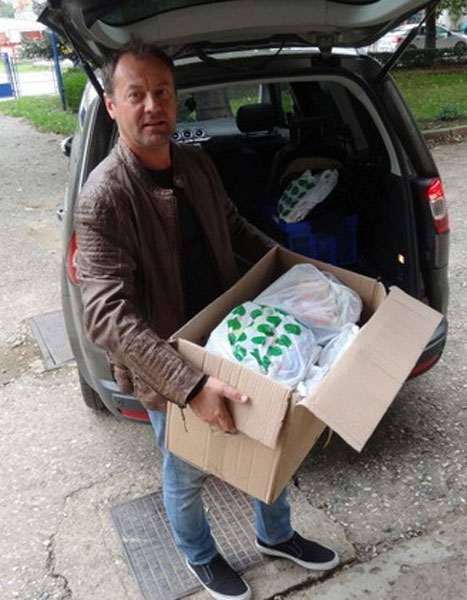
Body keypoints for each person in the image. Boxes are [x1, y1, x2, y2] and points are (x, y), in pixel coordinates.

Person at [75, 38, 339, 600]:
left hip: (231, 338)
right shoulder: (103, 197)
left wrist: (301, 274)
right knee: (186, 470)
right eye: (136, 95)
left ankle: (276, 535)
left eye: (163, 92)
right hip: (169, 364)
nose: (153, 105)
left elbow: (234, 228)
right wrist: (190, 385)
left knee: (268, 442)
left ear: (177, 98)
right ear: (113, 106)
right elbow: (105, 313)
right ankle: (198, 555)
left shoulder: (196, 163)